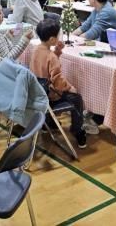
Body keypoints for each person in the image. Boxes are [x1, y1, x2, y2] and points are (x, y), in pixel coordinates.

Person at [30, 19, 87, 148]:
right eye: (58, 35)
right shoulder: (51, 57)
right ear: (52, 39)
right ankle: (77, 130)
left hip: (38, 93)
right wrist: (69, 87)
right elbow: (58, 81)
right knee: (77, 98)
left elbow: (45, 65)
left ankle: (49, 122)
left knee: (67, 93)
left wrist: (57, 51)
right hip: (49, 96)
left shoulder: (36, 50)